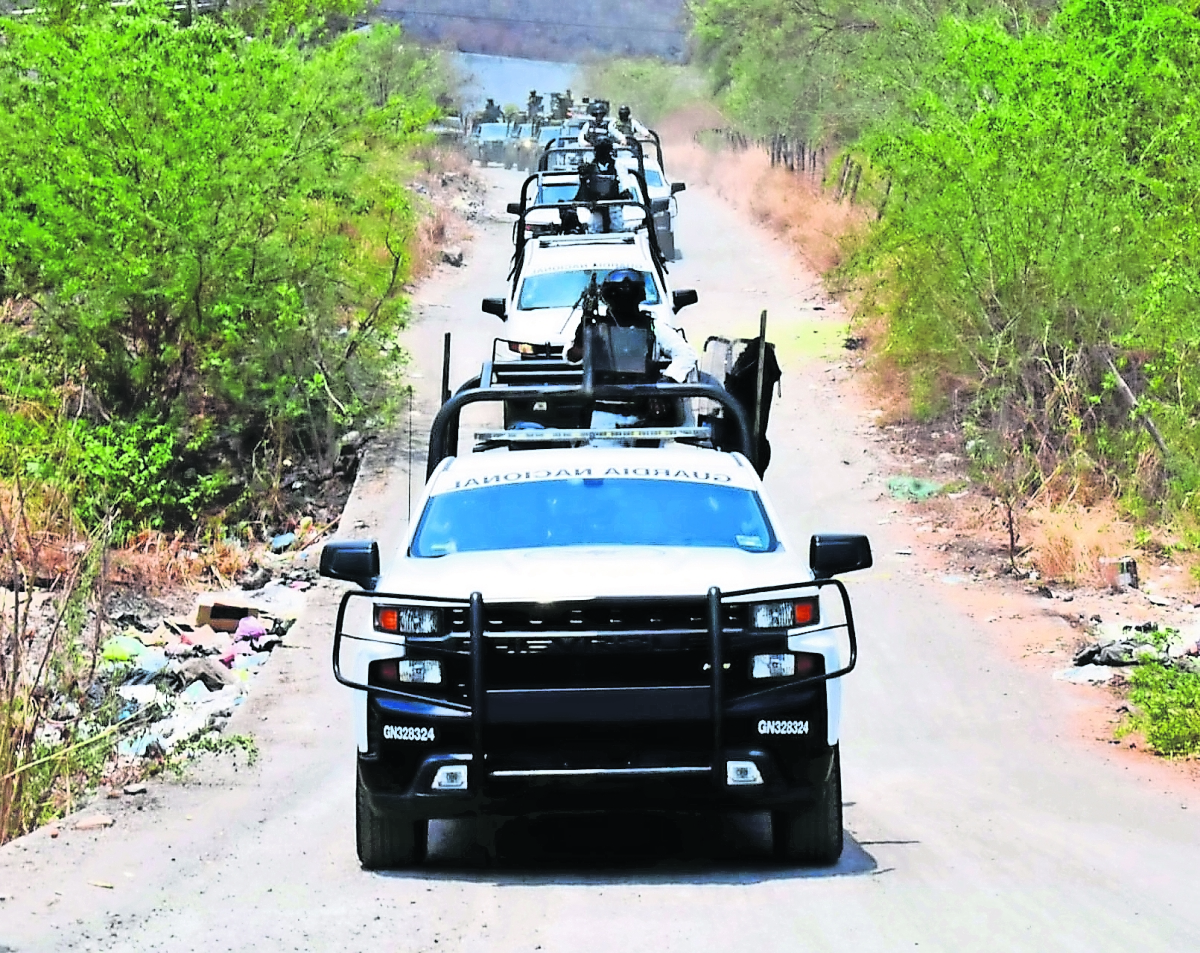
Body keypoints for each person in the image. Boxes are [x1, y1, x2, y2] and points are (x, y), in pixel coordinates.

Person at [566, 269, 698, 438]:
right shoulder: (596, 326)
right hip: (603, 413)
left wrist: (665, 384)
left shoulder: (653, 326)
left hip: (644, 415)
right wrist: (582, 338)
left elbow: (686, 354)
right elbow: (573, 356)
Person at [573, 137, 629, 233]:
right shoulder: (589, 167)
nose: (602, 153)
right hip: (596, 209)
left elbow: (625, 182)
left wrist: (625, 191)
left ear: (610, 151)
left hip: (613, 208)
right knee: (596, 232)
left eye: (605, 150)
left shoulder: (617, 165)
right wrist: (583, 178)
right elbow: (581, 190)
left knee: (617, 232)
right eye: (599, 150)